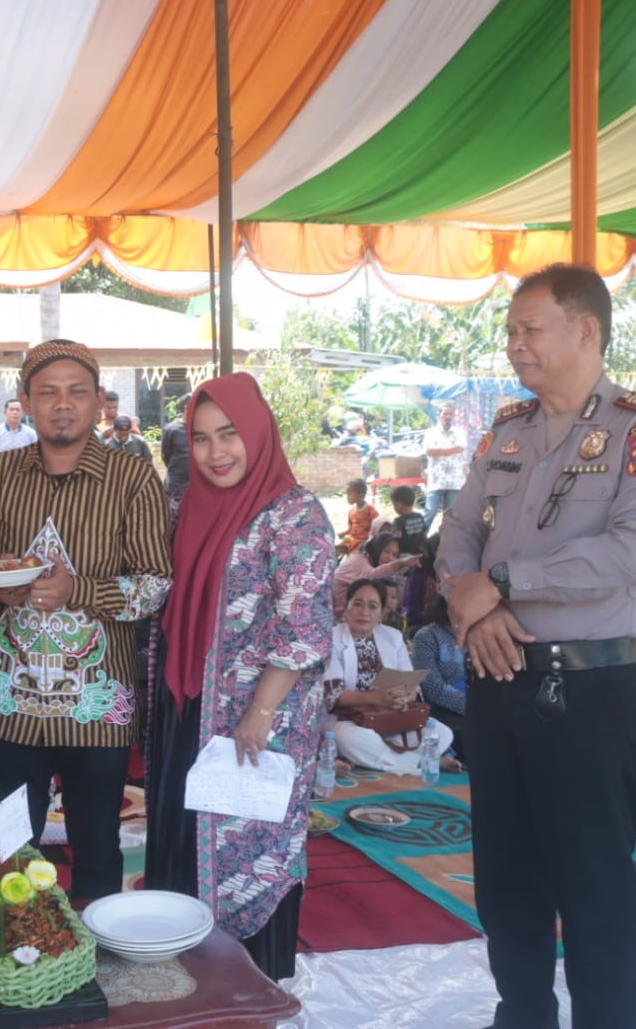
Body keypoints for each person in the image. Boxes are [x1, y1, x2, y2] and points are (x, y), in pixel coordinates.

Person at [438, 263, 636, 1029]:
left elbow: (631, 554)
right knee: (507, 880)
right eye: (509, 331)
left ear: (585, 330)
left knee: (594, 884)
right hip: (495, 679)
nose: (512, 345)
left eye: (526, 329)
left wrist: (500, 582)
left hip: (587, 693)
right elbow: (458, 534)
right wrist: (475, 611)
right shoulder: (506, 429)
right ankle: (522, 1016)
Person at [0, 339, 172, 898]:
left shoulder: (133, 478)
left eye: (77, 392)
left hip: (97, 699)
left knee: (96, 839)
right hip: (10, 699)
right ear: (25, 399)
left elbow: (154, 587)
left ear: (99, 400)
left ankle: (94, 960)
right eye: (47, 392)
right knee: (11, 843)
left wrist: (79, 590)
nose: (62, 404)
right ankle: (16, 954)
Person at [146, 372, 335, 981]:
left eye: (229, 434)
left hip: (260, 723)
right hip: (187, 711)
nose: (216, 452)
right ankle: (186, 990)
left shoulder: (295, 513)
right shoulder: (187, 508)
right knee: (182, 843)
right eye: (200, 439)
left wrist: (259, 711)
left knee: (252, 852)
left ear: (257, 432)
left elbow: (302, 627)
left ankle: (252, 991)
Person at [322, 580, 454, 774]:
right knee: (344, 737)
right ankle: (419, 764)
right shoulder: (332, 638)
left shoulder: (392, 637)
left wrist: (404, 698)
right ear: (346, 607)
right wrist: (377, 698)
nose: (364, 612)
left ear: (382, 612)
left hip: (391, 717)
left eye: (373, 606)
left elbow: (411, 686)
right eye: (357, 604)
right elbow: (334, 695)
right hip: (350, 719)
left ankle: (395, 761)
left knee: (442, 733)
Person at [410, 596, 469, 760]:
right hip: (447, 714)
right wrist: (477, 707)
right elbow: (433, 688)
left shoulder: (484, 633)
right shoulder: (428, 636)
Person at [332, 533, 418, 620]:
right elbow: (371, 579)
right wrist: (400, 563)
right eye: (386, 551)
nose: (390, 558)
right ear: (376, 548)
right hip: (335, 620)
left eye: (395, 555)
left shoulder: (378, 566)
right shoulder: (357, 560)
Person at [421, 402, 469, 532]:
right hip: (436, 480)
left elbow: (460, 448)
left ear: (454, 416)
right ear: (439, 415)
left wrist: (439, 451)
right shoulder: (430, 433)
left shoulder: (460, 432)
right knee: (430, 511)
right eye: (445, 413)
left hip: (455, 481)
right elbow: (429, 451)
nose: (448, 416)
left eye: (450, 414)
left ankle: (444, 543)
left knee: (450, 515)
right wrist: (451, 450)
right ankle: (419, 542)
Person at [159, 393, 191, 505]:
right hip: (176, 484)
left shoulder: (200, 428)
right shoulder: (171, 430)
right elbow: (165, 455)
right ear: (186, 407)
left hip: (196, 483)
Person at [388, 484, 427, 556]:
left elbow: (396, 539)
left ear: (398, 505)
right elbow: (424, 535)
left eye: (394, 505)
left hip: (406, 555)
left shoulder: (398, 521)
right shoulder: (420, 516)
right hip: (422, 553)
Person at [341, 477, 377, 551]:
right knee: (336, 549)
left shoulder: (370, 510)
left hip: (364, 541)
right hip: (351, 539)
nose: (347, 497)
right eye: (347, 494)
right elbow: (351, 528)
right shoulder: (351, 511)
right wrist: (344, 533)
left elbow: (377, 526)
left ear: (361, 495)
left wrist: (372, 538)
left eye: (349, 494)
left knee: (355, 553)